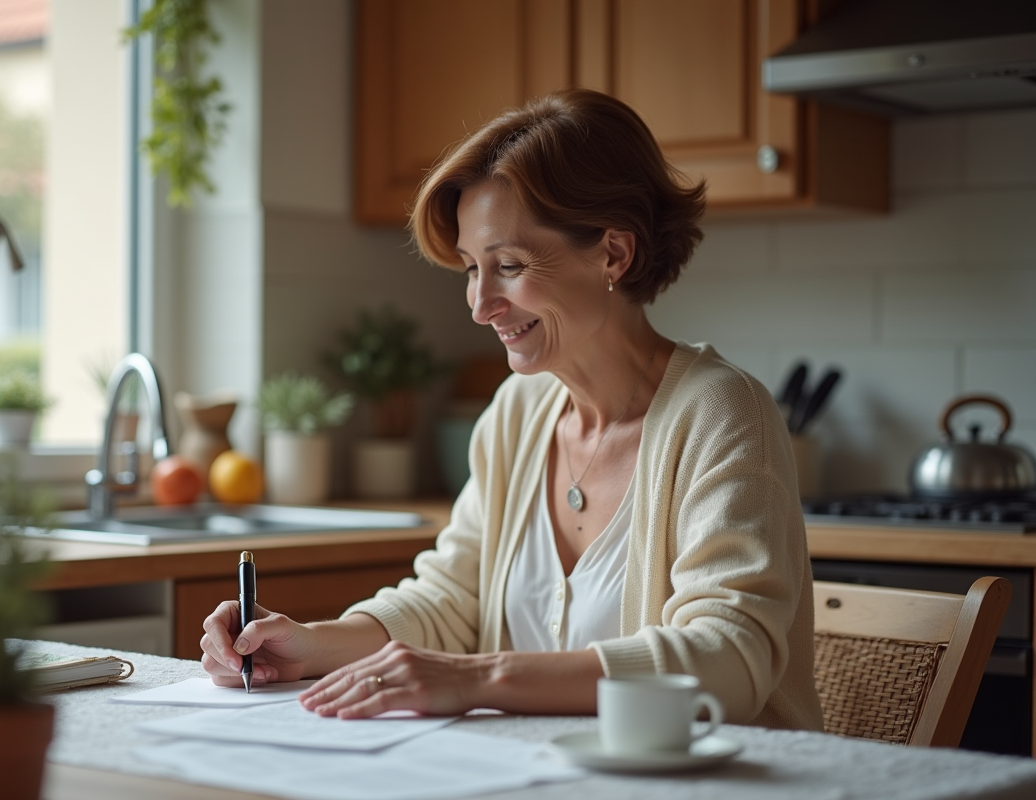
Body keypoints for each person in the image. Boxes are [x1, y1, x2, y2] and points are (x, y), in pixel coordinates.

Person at [201, 88, 824, 730]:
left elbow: (727, 661)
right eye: (473, 268)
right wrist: (306, 644)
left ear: (614, 253)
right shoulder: (517, 412)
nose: (479, 304)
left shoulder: (723, 414)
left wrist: (477, 678)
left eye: (510, 265)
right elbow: (453, 599)